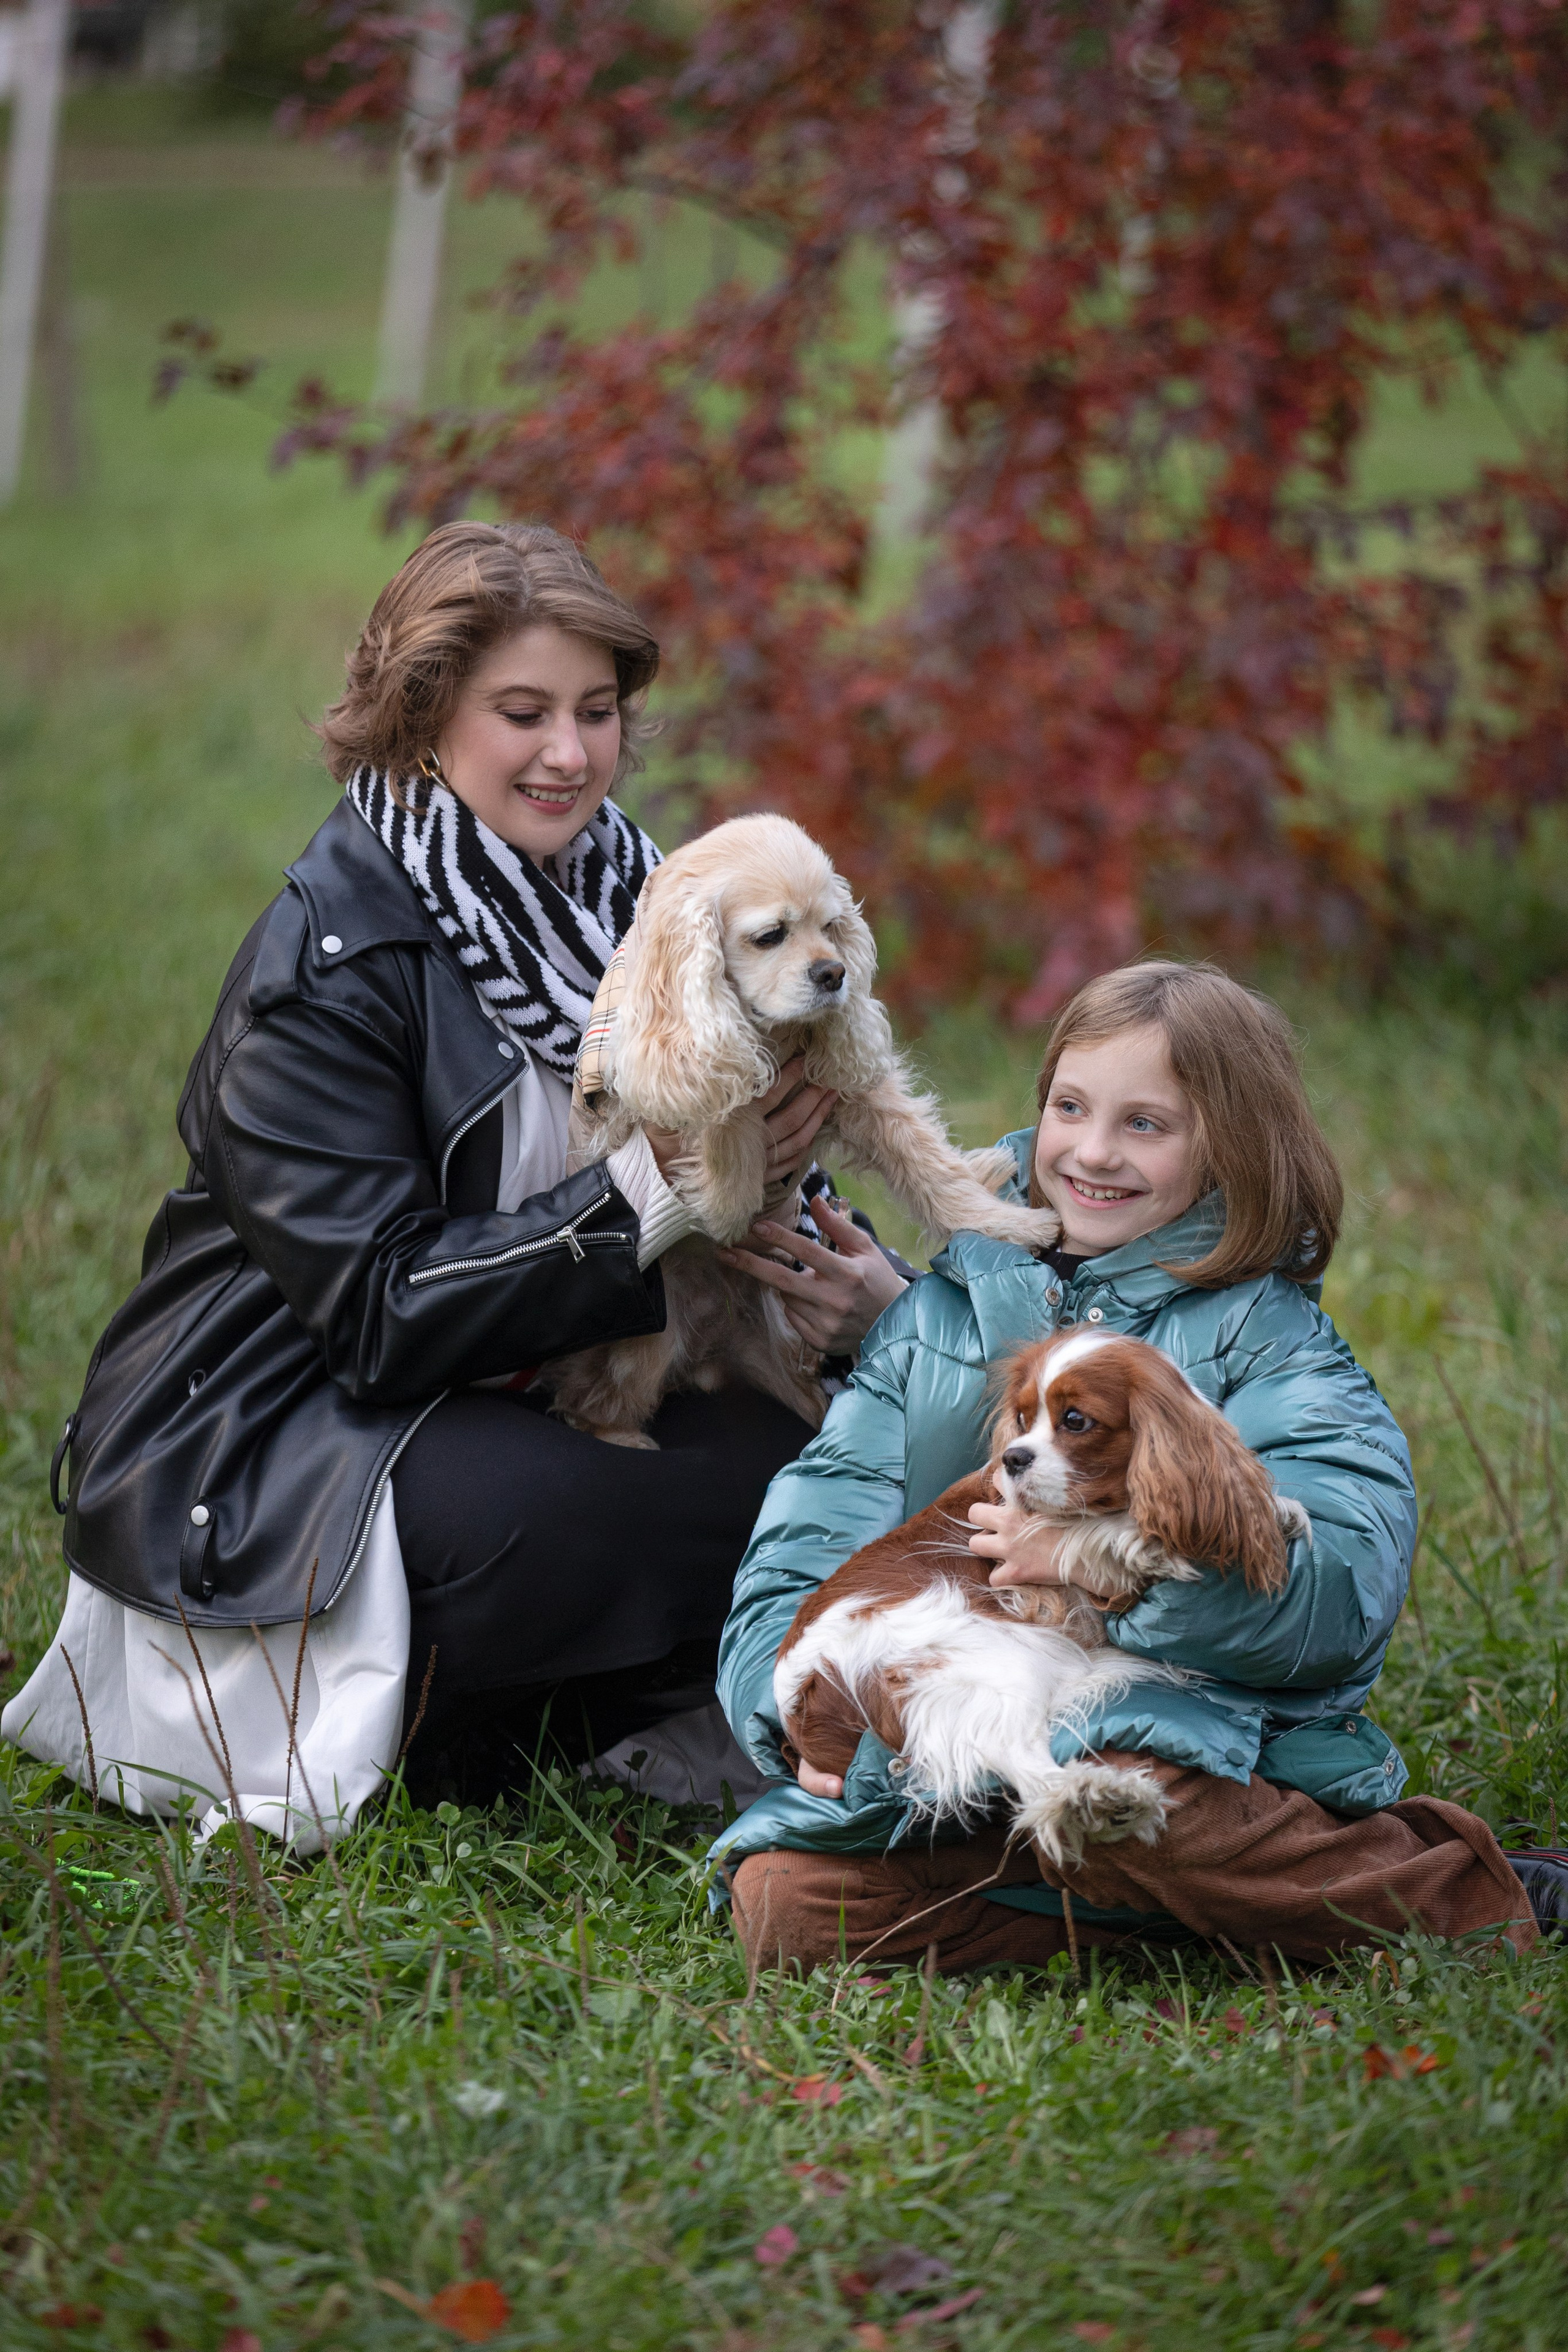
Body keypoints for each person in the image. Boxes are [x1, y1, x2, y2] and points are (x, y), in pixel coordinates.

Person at [2, 521, 906, 1844]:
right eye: (522, 712)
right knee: (549, 1518)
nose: (570, 753)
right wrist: (654, 1191)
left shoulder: (657, 903)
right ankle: (531, 1717)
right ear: (422, 718)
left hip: (571, 1379)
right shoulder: (328, 959)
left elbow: (770, 1166)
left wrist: (853, 1294)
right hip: (300, 1434)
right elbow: (376, 1314)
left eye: (596, 712)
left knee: (838, 1447)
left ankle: (625, 1700)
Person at [715, 960, 1564, 1970]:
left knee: (1150, 1793)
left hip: (1189, 1735)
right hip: (954, 1742)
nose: (1094, 1151)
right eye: (1071, 1107)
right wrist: (800, 1717)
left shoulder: (1275, 1343)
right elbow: (802, 1544)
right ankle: (1212, 1909)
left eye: (1146, 1125)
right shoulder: (935, 1316)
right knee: (787, 1903)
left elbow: (1344, 1593)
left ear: (1229, 1151)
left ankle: (1479, 1896)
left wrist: (1100, 1576)